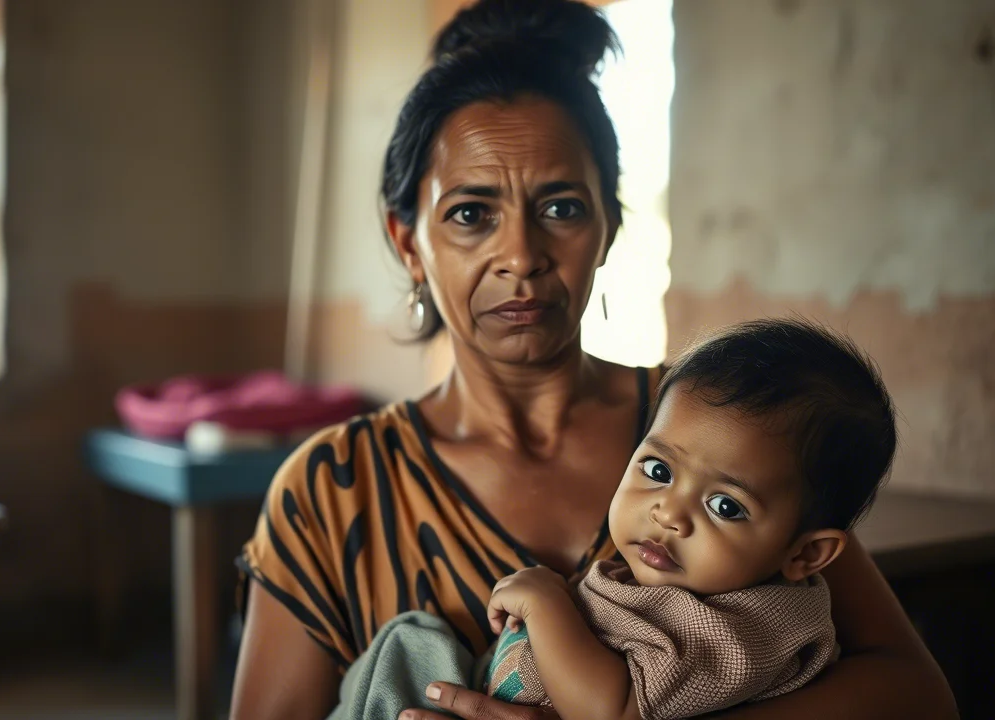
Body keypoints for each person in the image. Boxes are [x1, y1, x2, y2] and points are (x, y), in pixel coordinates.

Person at [230, 0, 957, 718]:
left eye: (561, 208)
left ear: (607, 226)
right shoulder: (333, 491)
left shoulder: (721, 428)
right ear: (406, 241)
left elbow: (916, 694)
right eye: (469, 213)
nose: (520, 256)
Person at [328, 318, 894, 720]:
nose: (668, 512)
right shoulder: (682, 579)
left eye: (725, 506)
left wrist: (547, 602)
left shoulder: (740, 631)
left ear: (806, 555)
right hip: (478, 682)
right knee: (407, 644)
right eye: (657, 469)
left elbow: (612, 712)